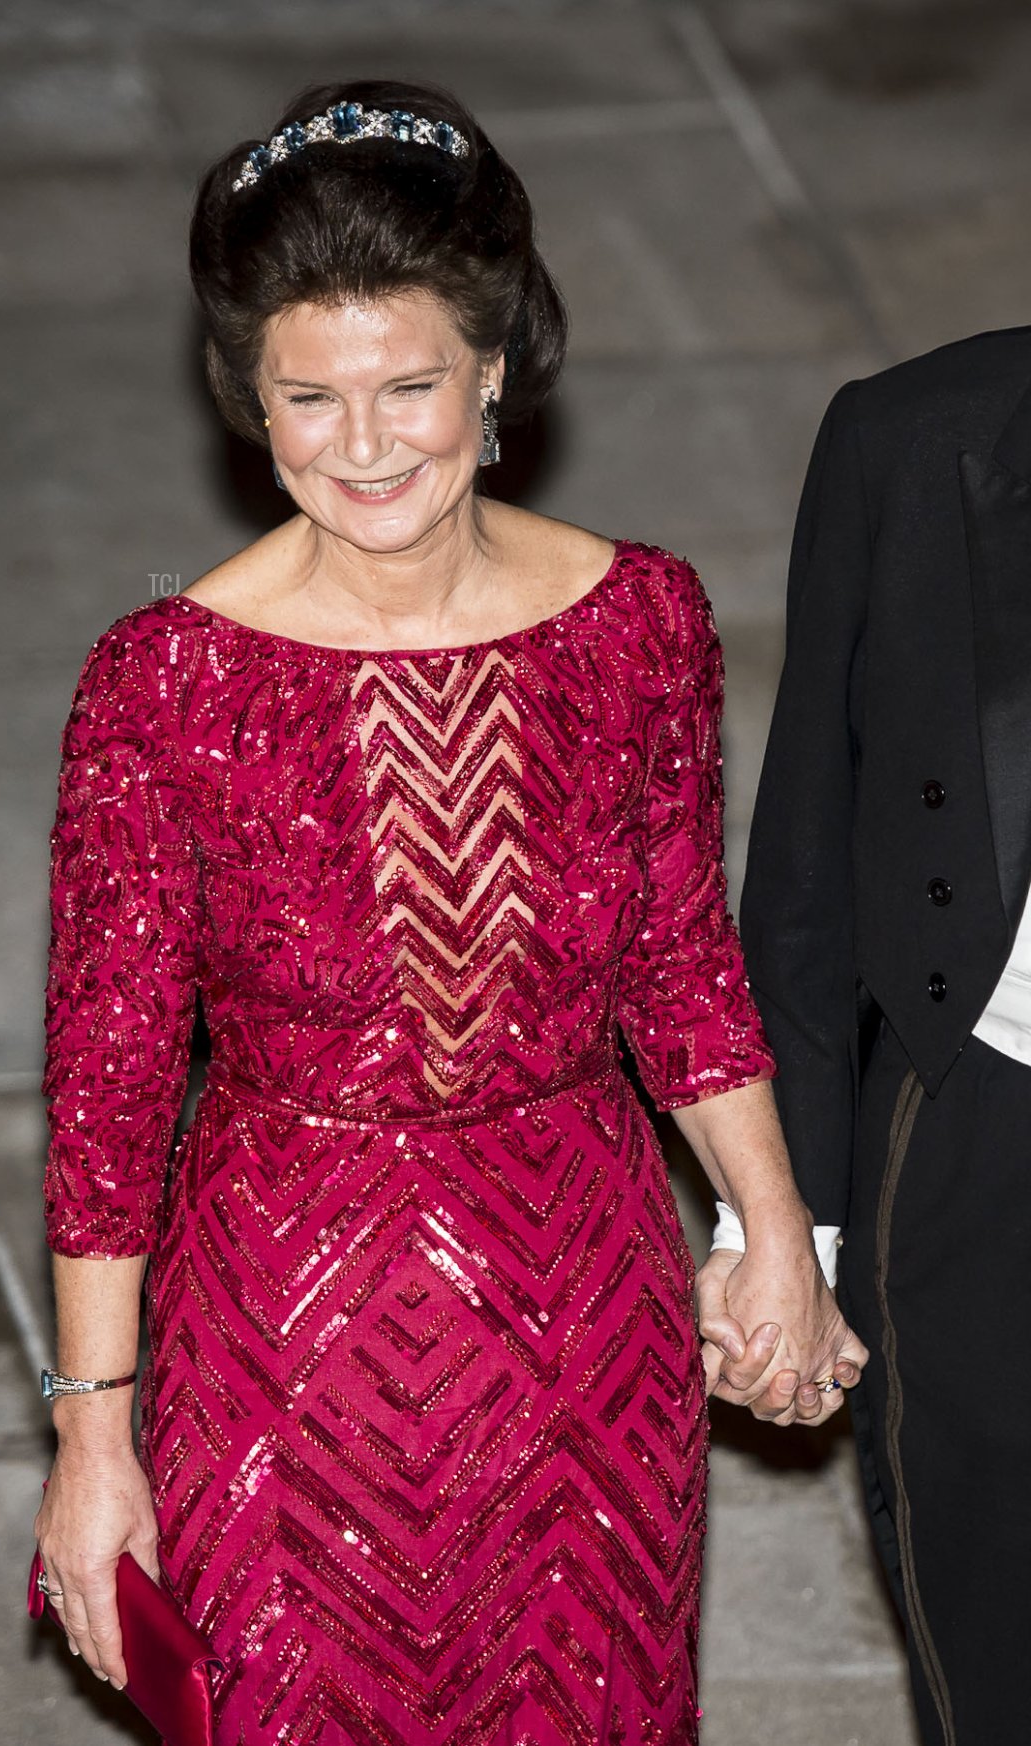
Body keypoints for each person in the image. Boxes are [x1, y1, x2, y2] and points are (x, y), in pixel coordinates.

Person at [31, 78, 865, 1746]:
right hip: (280, 1328)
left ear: (492, 370)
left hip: (587, 1314)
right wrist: (93, 1436)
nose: (364, 445)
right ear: (247, 406)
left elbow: (684, 968)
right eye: (308, 399)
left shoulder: (636, 623)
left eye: (408, 385)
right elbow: (111, 1102)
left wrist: (773, 1234)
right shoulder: (167, 683)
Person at [726, 327, 1031, 1746]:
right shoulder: (912, 441)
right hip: (991, 1118)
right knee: (994, 1629)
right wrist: (788, 1230)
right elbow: (809, 862)